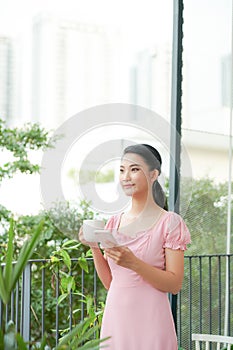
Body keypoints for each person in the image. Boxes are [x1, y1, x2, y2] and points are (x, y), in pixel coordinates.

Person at [79, 143, 191, 350]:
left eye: (134, 169)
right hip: (116, 321)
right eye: (122, 170)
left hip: (151, 321)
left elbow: (174, 284)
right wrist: (94, 246)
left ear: (153, 174)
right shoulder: (113, 223)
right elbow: (110, 282)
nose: (125, 177)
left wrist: (134, 263)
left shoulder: (170, 223)